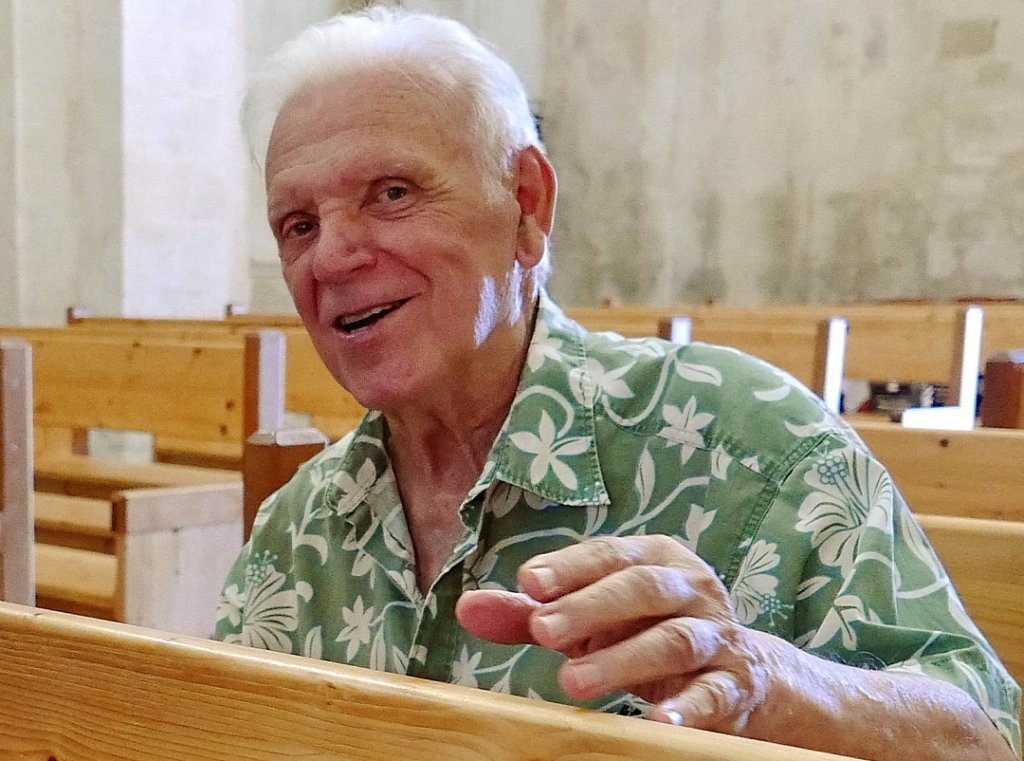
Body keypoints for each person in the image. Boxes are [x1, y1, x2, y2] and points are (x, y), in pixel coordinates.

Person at [214, 7, 1020, 759]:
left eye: (391, 194)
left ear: (526, 206)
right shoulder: (301, 525)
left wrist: (769, 684)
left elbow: (988, 731)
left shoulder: (747, 444)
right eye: (299, 224)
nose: (332, 256)